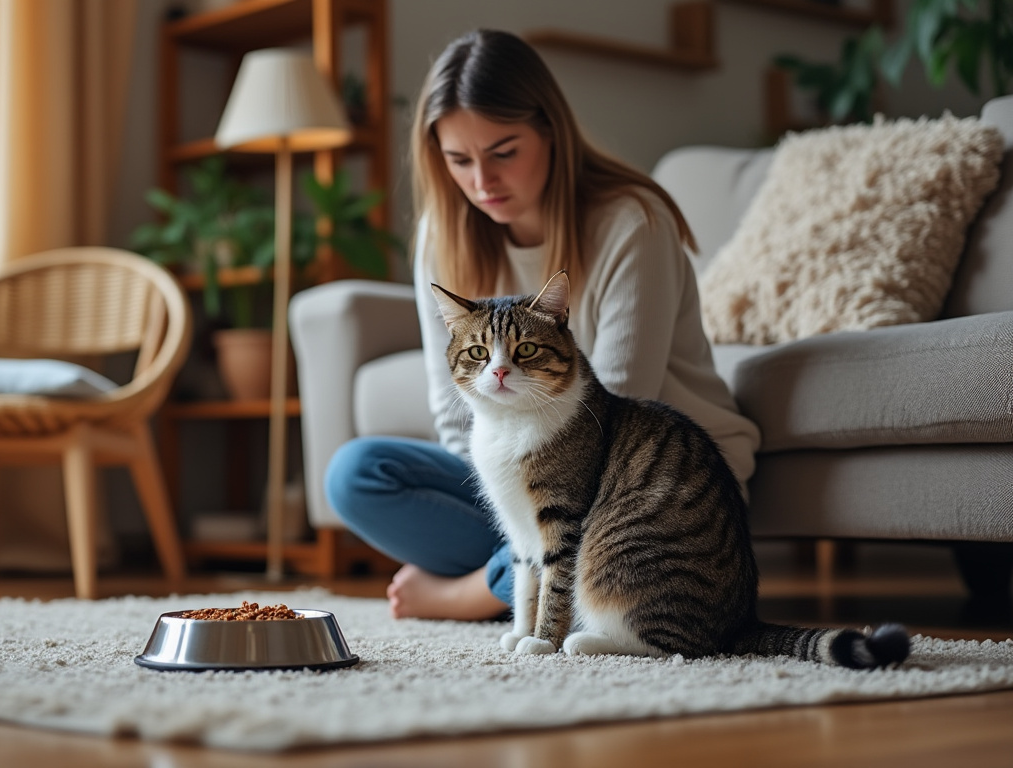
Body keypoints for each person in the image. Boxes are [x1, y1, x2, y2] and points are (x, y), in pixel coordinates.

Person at [324, 29, 761, 621]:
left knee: (561, 530)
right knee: (356, 474)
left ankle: (482, 590)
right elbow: (452, 406)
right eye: (458, 159)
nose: (481, 182)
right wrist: (508, 500)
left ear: (551, 132)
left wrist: (467, 585)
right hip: (522, 472)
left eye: (503, 151)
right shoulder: (441, 234)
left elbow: (613, 408)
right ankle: (528, 568)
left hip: (646, 491)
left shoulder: (634, 222)